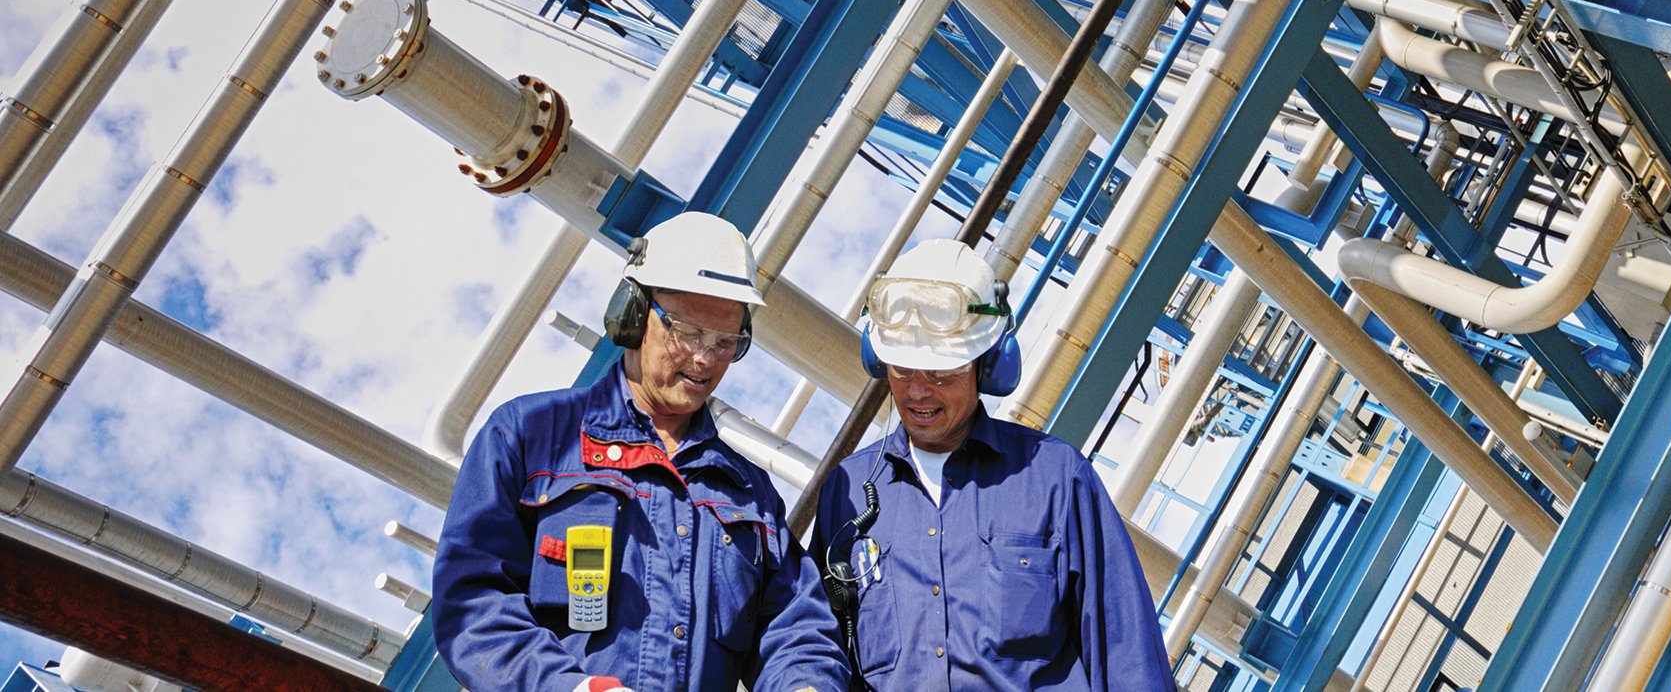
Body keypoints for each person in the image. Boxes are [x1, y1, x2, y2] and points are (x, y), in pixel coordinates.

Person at [434, 212, 848, 692]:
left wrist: (805, 684)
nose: (705, 359)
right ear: (632, 316)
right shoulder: (530, 436)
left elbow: (795, 628)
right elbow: (472, 600)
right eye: (689, 333)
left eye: (725, 342)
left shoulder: (749, 494)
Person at [814, 238, 1175, 691]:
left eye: (941, 373)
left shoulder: (1056, 479)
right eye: (902, 370)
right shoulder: (847, 491)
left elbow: (1126, 653)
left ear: (987, 366)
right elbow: (819, 646)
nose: (918, 392)